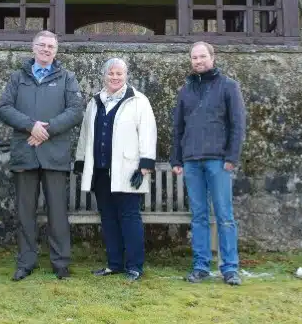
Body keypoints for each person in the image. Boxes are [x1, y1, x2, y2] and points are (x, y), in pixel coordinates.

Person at [0, 30, 83, 281]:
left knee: (58, 212)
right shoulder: (17, 78)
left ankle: (60, 263)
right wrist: (29, 126)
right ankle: (26, 262)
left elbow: (76, 111)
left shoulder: (68, 78)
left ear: (56, 51)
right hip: (25, 152)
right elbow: (4, 109)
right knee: (25, 212)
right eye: (42, 45)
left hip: (54, 155)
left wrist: (46, 129)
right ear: (33, 48)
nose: (47, 49)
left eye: (51, 46)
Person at [74, 58, 157, 281]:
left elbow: (148, 133)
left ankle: (134, 267)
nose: (115, 77)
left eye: (119, 73)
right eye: (111, 73)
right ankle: (114, 264)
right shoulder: (94, 102)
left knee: (129, 217)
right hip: (101, 172)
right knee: (108, 218)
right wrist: (81, 160)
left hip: (128, 171)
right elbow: (85, 133)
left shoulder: (139, 101)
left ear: (126, 75)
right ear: (104, 75)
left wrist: (145, 164)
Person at [171, 42, 246, 286]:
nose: (198, 61)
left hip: (218, 161)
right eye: (194, 57)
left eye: (202, 56)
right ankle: (201, 266)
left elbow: (237, 125)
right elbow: (178, 128)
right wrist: (176, 158)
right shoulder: (185, 91)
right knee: (199, 216)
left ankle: (230, 268)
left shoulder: (229, 87)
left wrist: (232, 157)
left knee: (224, 216)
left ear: (212, 57)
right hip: (191, 161)